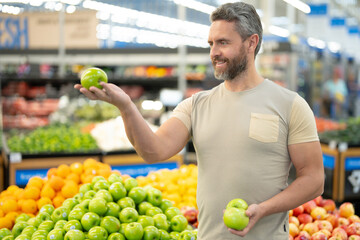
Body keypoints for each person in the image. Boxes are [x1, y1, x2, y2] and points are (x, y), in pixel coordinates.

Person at [75, 2, 324, 239]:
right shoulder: (196, 105)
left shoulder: (290, 104)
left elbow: (313, 179)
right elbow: (154, 151)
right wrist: (126, 106)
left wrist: (264, 209)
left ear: (251, 43)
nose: (214, 52)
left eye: (223, 42)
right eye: (211, 43)